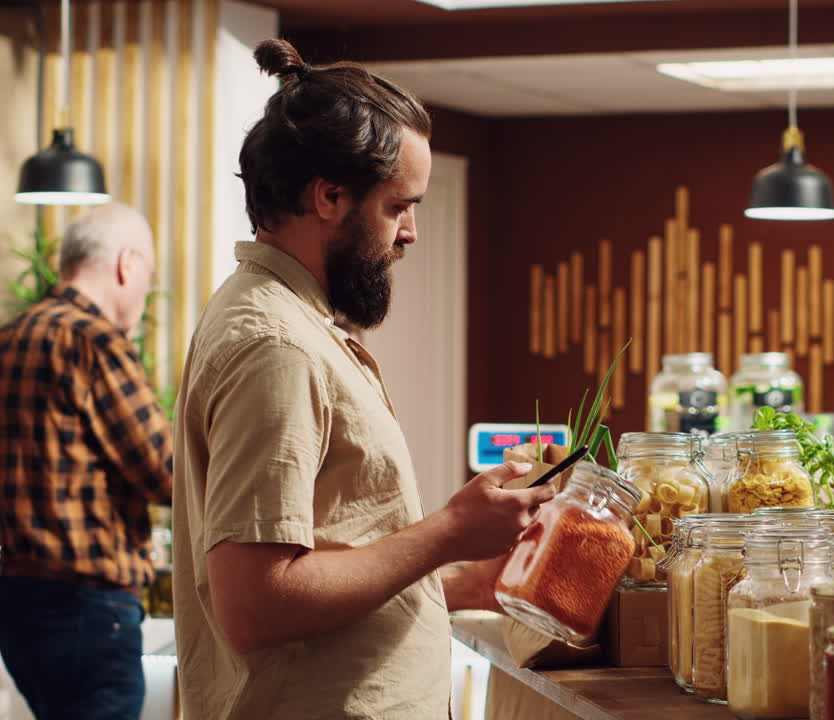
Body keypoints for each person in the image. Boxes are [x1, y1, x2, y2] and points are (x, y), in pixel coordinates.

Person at [171, 39, 556, 719]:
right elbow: (256, 605)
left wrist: (464, 569)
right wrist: (447, 531)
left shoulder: (293, 323)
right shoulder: (275, 344)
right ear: (329, 195)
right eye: (399, 206)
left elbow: (340, 545)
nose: (411, 233)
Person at [0, 203, 173, 720]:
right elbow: (166, 473)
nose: (145, 292)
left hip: (17, 603)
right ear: (127, 264)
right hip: (90, 607)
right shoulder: (93, 341)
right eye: (148, 274)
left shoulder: (7, 341)